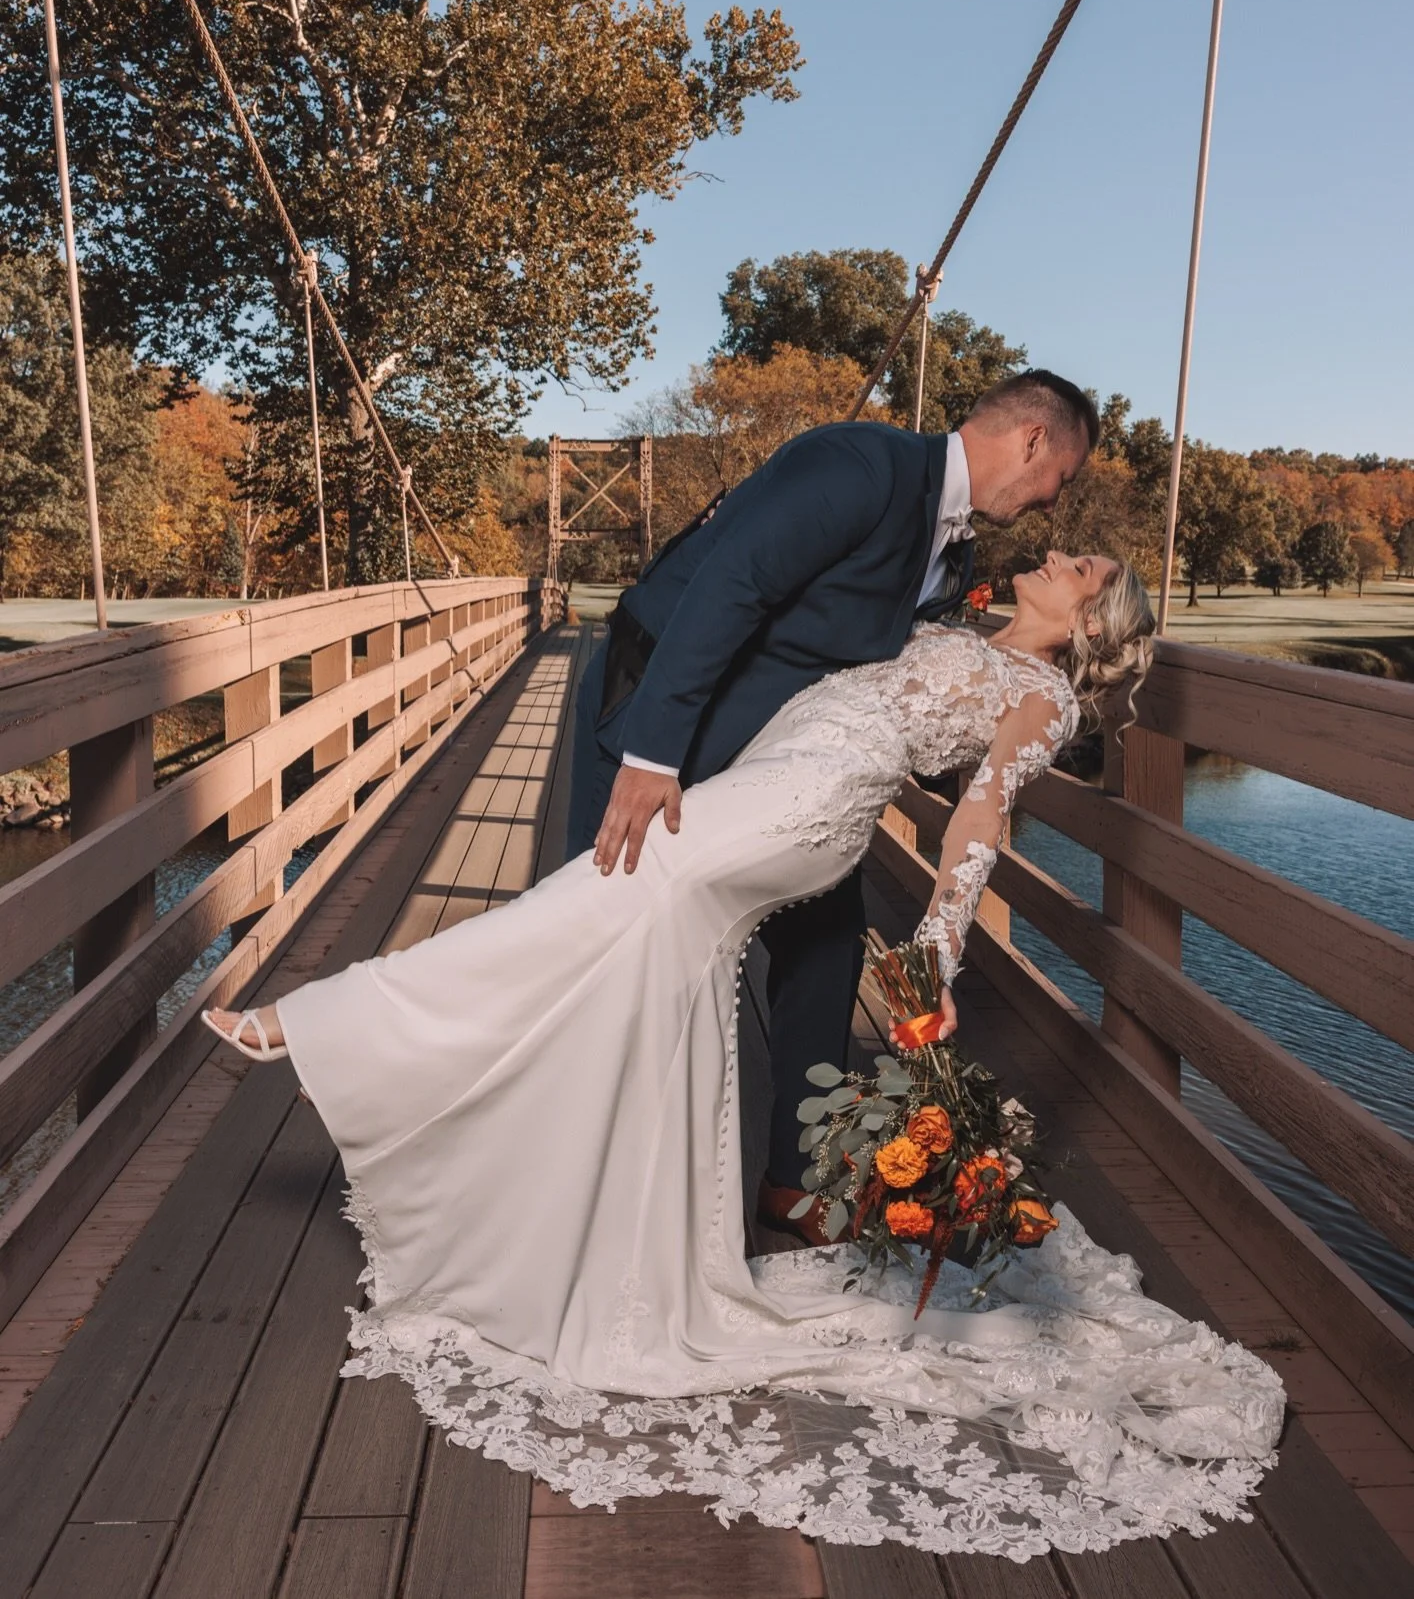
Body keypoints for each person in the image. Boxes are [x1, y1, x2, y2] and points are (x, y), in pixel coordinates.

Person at [203, 550, 1285, 1558]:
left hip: (802, 808)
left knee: (584, 898)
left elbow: (976, 825)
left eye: (1082, 567)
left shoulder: (1041, 697)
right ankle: (590, 1223)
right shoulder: (960, 624)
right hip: (771, 776)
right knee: (623, 967)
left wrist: (936, 956)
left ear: (1090, 619)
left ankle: (323, 1019)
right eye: (1065, 550)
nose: (1057, 555)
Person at [568, 371, 1097, 1240]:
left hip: (773, 770)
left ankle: (798, 1180)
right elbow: (730, 583)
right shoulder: (861, 462)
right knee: (596, 946)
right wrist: (650, 752)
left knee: (825, 943)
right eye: (1060, 479)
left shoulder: (953, 554)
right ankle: (586, 1190)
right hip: (653, 729)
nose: (1050, 506)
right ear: (1034, 440)